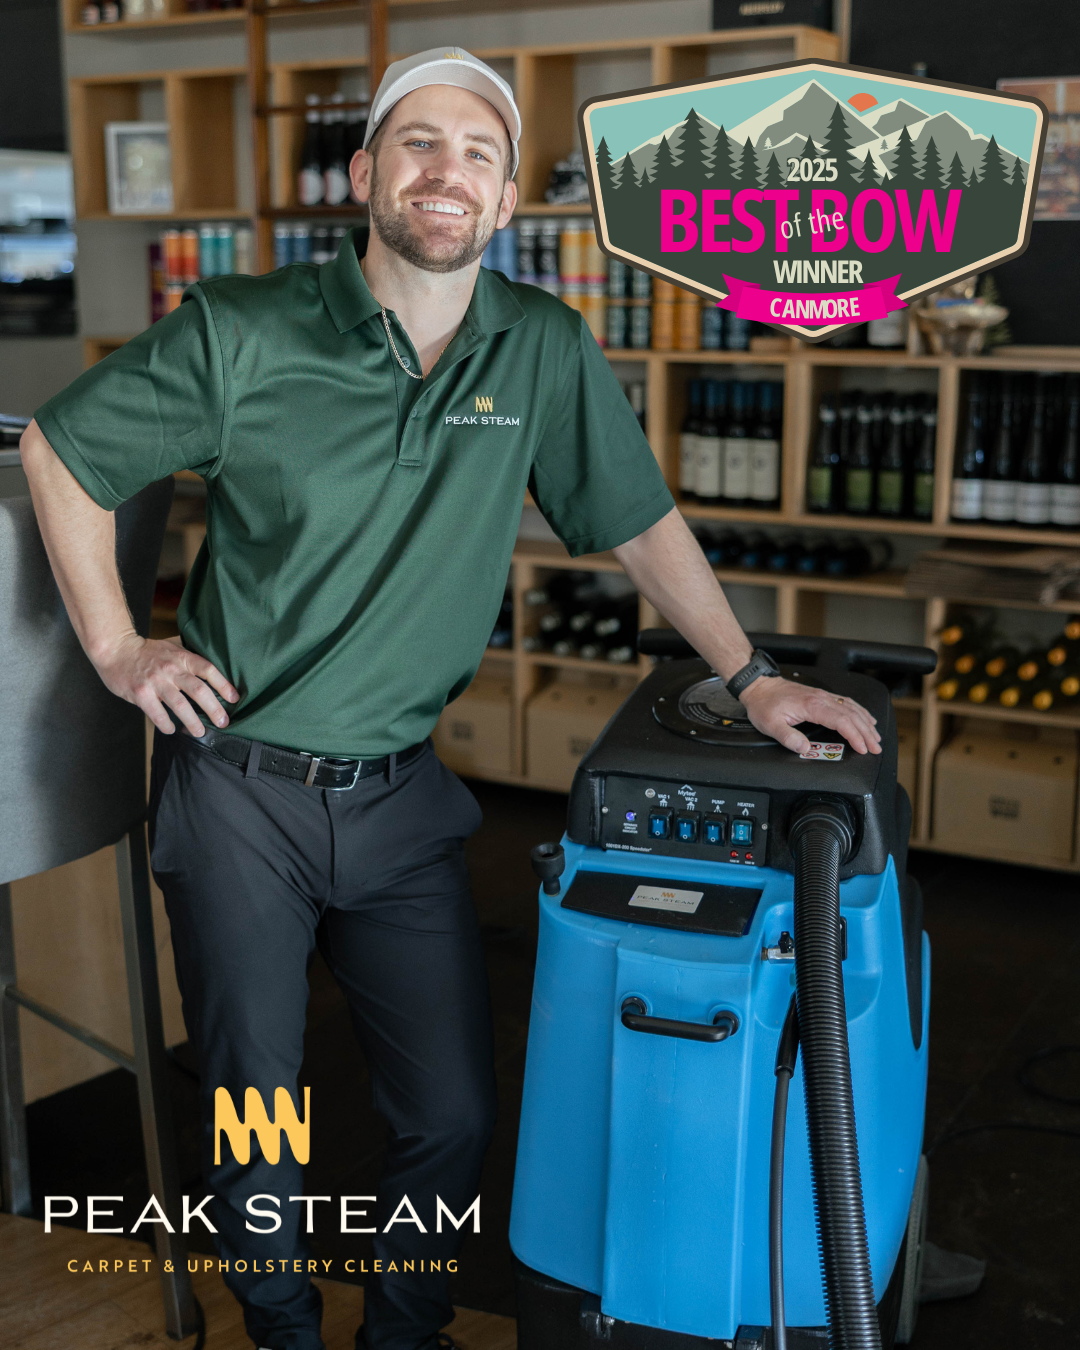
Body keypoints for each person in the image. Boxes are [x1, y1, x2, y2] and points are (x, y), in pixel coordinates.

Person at [20, 46, 880, 1350]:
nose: (449, 172)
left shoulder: (538, 347)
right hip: (241, 787)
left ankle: (406, 1329)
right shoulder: (243, 328)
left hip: (399, 796)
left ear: (508, 197)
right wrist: (117, 649)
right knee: (261, 1101)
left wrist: (752, 678)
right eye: (420, 143)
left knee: (455, 1112)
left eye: (479, 153)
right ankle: (286, 1329)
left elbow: (641, 523)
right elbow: (63, 451)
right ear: (365, 173)